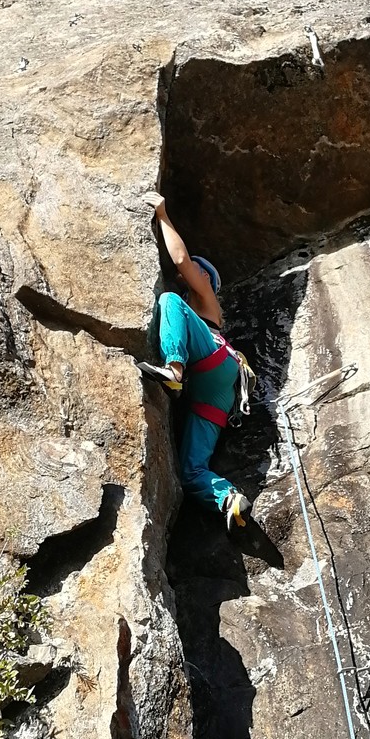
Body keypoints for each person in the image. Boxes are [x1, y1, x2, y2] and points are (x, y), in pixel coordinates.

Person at [138, 194, 252, 531]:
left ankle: (174, 370)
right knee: (191, 471)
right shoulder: (204, 311)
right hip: (217, 396)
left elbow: (181, 258)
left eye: (197, 270)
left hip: (213, 361)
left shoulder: (206, 296)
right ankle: (229, 499)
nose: (189, 272)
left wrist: (162, 213)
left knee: (170, 300)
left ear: (206, 277)